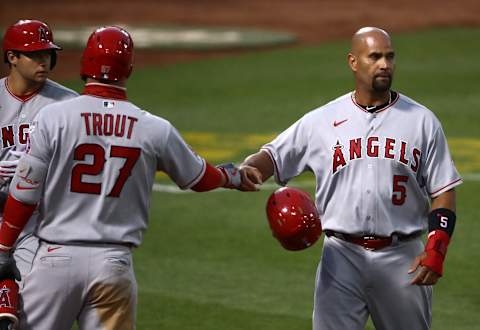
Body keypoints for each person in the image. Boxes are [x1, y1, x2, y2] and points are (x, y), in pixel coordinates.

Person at [0, 26, 246, 329]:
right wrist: (231, 177)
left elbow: (25, 192)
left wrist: (4, 248)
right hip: (113, 265)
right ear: (129, 69)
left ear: (84, 64)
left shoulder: (55, 116)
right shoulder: (154, 127)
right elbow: (199, 178)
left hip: (54, 260)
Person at [239, 27, 462, 330]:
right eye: (375, 56)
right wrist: (253, 167)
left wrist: (437, 249)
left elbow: (444, 191)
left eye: (389, 56)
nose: (384, 64)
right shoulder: (322, 121)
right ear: (353, 62)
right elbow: (274, 156)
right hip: (340, 258)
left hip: (403, 259)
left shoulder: (422, 121)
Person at [0, 19, 78, 328]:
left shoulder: (69, 104)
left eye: (47, 53)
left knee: (30, 309)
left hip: (39, 220)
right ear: (13, 58)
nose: (43, 60)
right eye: (34, 54)